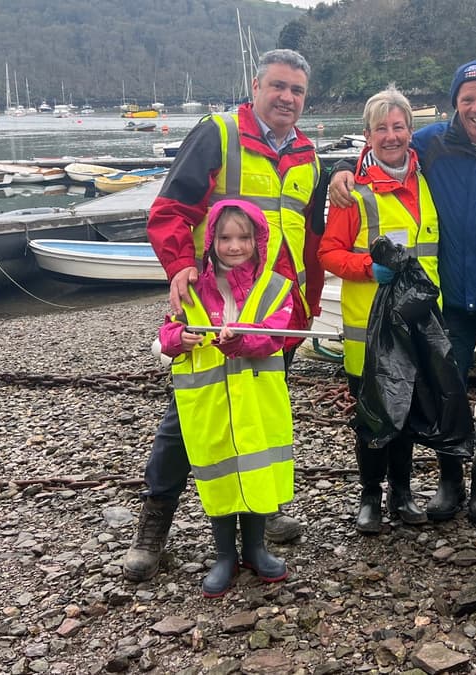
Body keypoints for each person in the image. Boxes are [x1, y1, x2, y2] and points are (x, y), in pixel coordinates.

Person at [124, 48, 323, 582]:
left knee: (261, 413)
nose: (286, 98)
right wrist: (179, 268)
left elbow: (311, 238)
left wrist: (310, 303)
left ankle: (259, 505)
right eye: (278, 86)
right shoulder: (218, 134)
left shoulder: (310, 157)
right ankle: (153, 527)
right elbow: (169, 211)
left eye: (297, 91)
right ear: (255, 86)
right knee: (185, 417)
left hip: (277, 312)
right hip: (211, 306)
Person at [329, 61, 476, 525]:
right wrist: (343, 168)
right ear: (455, 106)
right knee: (444, 388)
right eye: (467, 98)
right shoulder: (434, 144)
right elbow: (380, 149)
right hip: (449, 300)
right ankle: (451, 481)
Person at [157, 200, 294, 597]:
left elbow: (275, 335)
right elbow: (168, 333)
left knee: (254, 471)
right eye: (226, 238)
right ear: (211, 240)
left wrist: (242, 341)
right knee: (218, 474)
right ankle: (224, 556)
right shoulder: (192, 286)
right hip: (210, 403)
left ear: (258, 240)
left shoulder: (274, 287)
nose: (235, 246)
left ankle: (255, 549)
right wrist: (177, 340)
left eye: (244, 238)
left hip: (256, 400)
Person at [319, 86, 436, 534]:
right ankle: (370, 496)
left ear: (411, 131)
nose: (392, 136)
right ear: (366, 136)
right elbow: (329, 253)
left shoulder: (428, 182)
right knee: (371, 414)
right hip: (367, 328)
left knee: (405, 411)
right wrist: (368, 267)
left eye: (399, 126)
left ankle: (402, 493)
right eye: (381, 128)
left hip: (415, 323)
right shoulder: (354, 193)